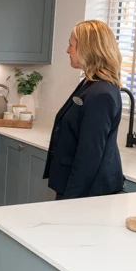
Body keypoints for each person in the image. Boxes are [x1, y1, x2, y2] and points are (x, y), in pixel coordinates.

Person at [44, 20, 124, 200]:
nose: (67, 50)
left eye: (71, 44)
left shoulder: (101, 93)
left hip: (88, 194)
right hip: (79, 188)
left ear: (88, 49)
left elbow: (89, 156)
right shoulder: (90, 84)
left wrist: (69, 200)